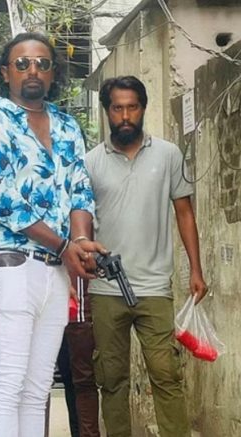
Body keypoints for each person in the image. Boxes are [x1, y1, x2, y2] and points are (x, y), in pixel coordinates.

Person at [0, 32, 106, 436]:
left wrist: (79, 243)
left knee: (37, 389)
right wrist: (64, 245)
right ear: (5, 73)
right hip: (11, 267)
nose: (33, 70)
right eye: (23, 63)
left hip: (55, 271)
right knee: (7, 385)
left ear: (53, 73)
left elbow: (80, 190)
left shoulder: (67, 125)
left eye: (43, 63)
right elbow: (0, 199)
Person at [86, 75, 207, 437]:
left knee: (166, 374)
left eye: (132, 107)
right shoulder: (90, 162)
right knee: (111, 379)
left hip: (155, 287)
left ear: (143, 108)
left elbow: (184, 213)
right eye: (117, 108)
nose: (125, 116)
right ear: (107, 111)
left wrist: (196, 270)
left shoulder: (168, 154)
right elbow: (80, 223)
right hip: (106, 290)